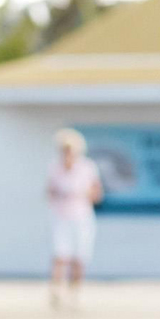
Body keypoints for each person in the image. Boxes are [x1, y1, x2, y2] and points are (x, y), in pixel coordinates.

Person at [47, 126, 103, 307]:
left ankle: (75, 291)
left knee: (80, 256)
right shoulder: (54, 167)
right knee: (60, 255)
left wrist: (82, 195)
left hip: (81, 216)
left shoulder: (87, 167)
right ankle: (56, 290)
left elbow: (97, 194)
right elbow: (49, 191)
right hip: (61, 216)